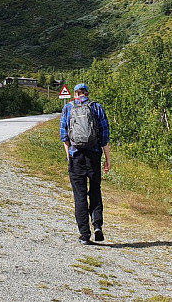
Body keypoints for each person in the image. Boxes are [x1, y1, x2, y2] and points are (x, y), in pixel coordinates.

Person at [60, 83, 111, 245]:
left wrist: (69, 156)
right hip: (94, 155)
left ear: (75, 94)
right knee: (95, 190)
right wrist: (108, 159)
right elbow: (104, 135)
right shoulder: (96, 107)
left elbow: (64, 135)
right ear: (87, 94)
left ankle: (84, 234)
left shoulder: (68, 108)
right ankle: (97, 225)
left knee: (79, 195)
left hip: (76, 156)